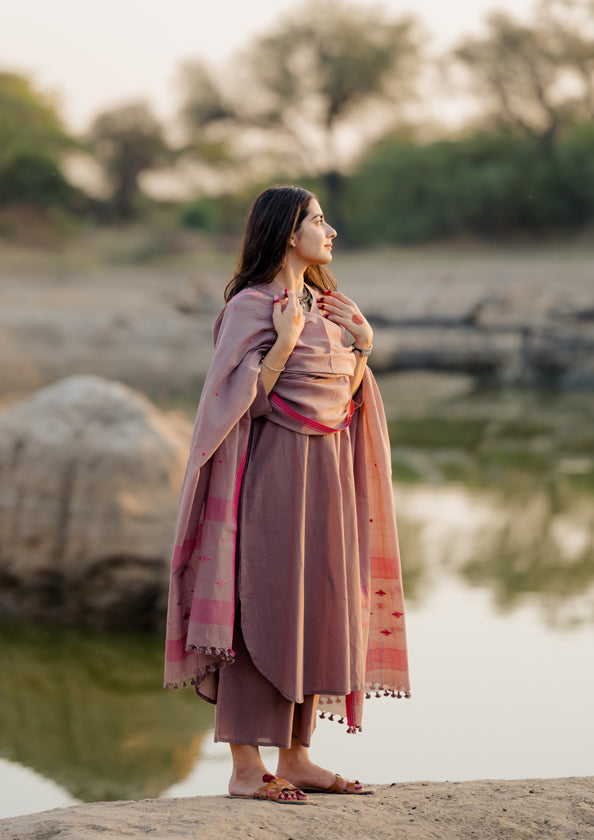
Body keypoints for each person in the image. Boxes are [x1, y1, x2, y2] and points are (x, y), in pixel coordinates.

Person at [164, 185, 410, 805]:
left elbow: (343, 394)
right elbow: (234, 405)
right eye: (319, 221)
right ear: (288, 232)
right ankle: (246, 768)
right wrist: (280, 344)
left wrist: (363, 344)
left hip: (328, 472)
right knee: (263, 601)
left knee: (317, 603)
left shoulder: (324, 304)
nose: (331, 231)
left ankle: (296, 759)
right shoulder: (250, 308)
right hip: (271, 471)